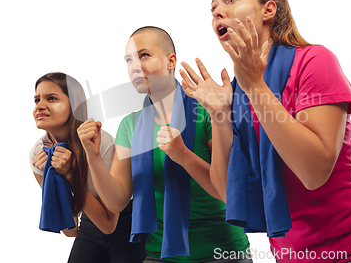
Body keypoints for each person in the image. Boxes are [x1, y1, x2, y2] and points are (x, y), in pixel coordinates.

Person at [180, 0, 351, 263]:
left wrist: (256, 87)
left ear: (268, 10)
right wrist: (220, 113)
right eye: (213, 10)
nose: (218, 13)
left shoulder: (314, 61)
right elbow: (227, 192)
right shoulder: (235, 94)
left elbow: (314, 172)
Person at [77, 27, 252, 263]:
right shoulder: (130, 125)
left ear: (171, 62)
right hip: (161, 255)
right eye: (129, 60)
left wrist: (183, 155)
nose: (134, 66)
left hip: (223, 252)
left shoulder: (208, 113)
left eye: (144, 55)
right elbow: (117, 201)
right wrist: (94, 156)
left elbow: (230, 191)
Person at [29, 72, 146, 263]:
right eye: (36, 100)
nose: (40, 106)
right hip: (90, 221)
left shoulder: (101, 144)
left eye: (51, 98)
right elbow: (71, 229)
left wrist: (70, 175)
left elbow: (109, 224)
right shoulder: (38, 154)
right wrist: (56, 179)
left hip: (128, 221)